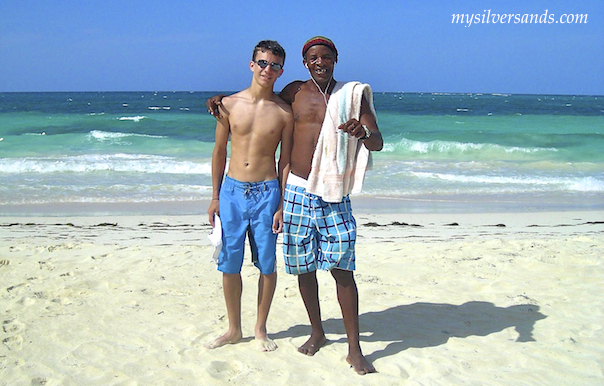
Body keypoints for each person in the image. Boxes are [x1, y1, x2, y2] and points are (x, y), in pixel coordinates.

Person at [207, 36, 382, 375]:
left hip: (329, 191)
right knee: (301, 266)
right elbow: (258, 98)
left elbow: (377, 142)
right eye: (314, 57)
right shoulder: (295, 92)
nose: (320, 62)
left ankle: (354, 348)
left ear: (335, 59)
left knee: (341, 267)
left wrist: (361, 132)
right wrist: (221, 99)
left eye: (326, 56)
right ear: (305, 63)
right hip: (293, 191)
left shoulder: (352, 96)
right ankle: (316, 332)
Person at [205, 40, 293, 352]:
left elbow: (285, 162)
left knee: (267, 265)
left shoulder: (284, 112)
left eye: (275, 65)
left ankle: (260, 329)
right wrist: (215, 196)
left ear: (282, 70)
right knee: (230, 263)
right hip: (231, 191)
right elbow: (218, 152)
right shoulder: (228, 104)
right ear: (251, 64)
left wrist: (282, 204)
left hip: (267, 193)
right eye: (263, 62)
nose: (268, 69)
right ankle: (233, 329)